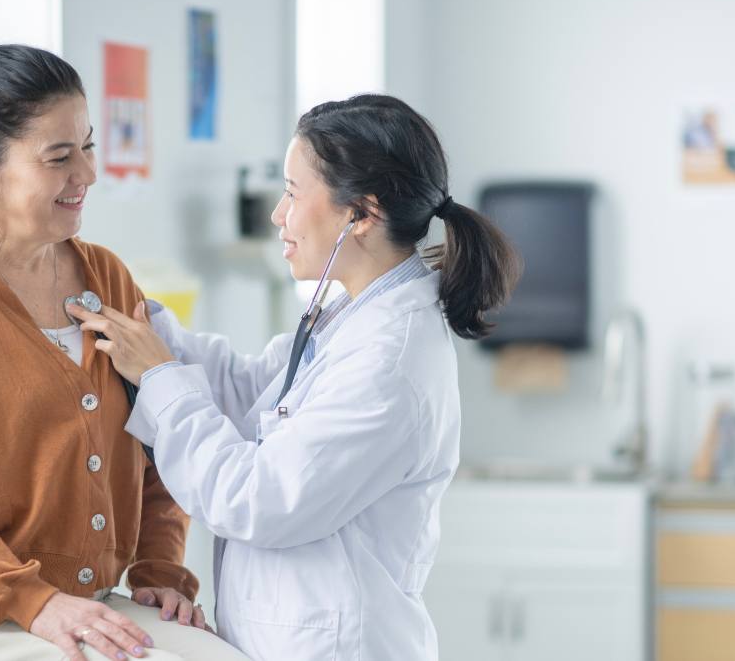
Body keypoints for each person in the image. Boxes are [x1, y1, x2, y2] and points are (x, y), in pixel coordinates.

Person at [68, 94, 521, 659]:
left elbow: (257, 498)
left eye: (291, 192)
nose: (278, 216)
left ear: (361, 214)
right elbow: (256, 391)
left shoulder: (389, 360)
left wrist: (159, 374)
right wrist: (149, 326)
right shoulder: (353, 317)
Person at [0, 33, 247, 661]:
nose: (87, 174)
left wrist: (158, 571)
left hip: (84, 602)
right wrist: (36, 603)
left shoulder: (109, 278)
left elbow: (161, 444)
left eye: (87, 146)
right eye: (59, 156)